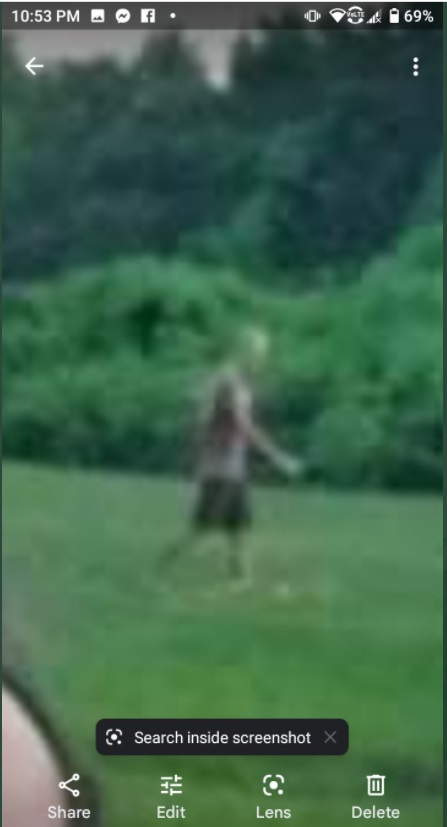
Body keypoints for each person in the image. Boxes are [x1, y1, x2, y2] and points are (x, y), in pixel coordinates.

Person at [158, 326, 301, 587]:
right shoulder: (231, 381)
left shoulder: (233, 379)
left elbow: (203, 401)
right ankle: (163, 567)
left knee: (240, 525)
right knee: (202, 527)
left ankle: (241, 579)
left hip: (233, 466)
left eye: (265, 353)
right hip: (220, 467)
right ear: (244, 351)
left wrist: (202, 403)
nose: (263, 360)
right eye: (259, 353)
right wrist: (279, 458)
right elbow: (244, 426)